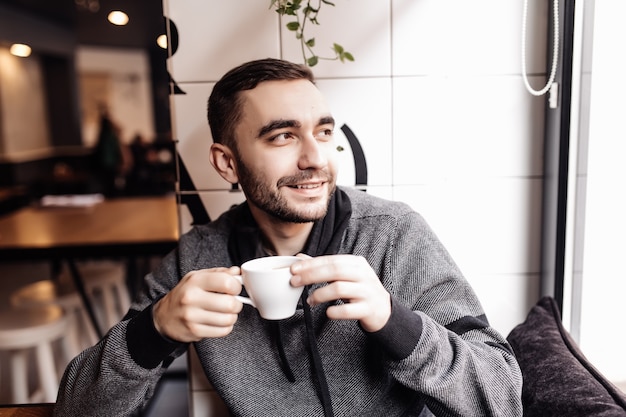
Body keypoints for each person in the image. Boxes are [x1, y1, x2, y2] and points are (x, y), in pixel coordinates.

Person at [55, 58, 522, 416]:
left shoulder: (393, 234)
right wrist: (151, 331)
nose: (316, 158)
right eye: (282, 136)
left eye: (323, 131)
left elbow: (502, 398)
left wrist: (394, 322)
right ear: (227, 163)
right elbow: (76, 409)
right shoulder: (198, 257)